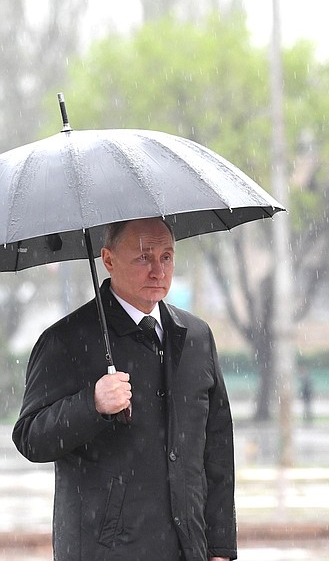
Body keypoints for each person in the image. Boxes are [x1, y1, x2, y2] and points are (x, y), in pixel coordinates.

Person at [12, 217, 236, 561]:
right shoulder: (65, 341)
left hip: (188, 547)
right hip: (105, 549)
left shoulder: (196, 337)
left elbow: (217, 448)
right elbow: (30, 437)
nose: (158, 271)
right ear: (108, 259)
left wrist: (220, 546)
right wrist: (92, 405)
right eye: (144, 257)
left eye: (166, 257)